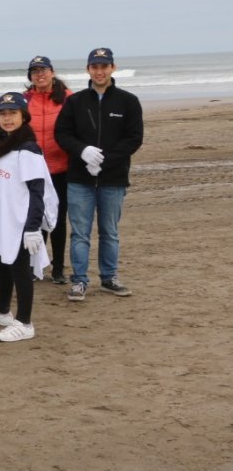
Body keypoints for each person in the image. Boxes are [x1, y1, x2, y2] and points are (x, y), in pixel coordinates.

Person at [54, 48, 144, 301]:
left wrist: (104, 161)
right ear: (88, 69)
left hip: (113, 178)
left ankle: (109, 278)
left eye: (104, 66)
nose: (99, 71)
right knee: (80, 232)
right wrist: (82, 151)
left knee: (109, 231)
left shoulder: (128, 101)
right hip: (79, 179)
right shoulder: (75, 101)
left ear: (112, 68)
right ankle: (79, 281)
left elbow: (134, 138)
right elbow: (62, 133)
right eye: (95, 66)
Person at [0, 92, 56, 342]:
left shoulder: (28, 149)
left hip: (19, 222)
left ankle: (24, 322)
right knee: (0, 262)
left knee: (20, 268)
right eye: (3, 113)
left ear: (24, 116)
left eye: (13, 113)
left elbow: (36, 192)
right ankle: (1, 311)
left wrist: (32, 228)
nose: (7, 119)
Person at [24, 56, 73, 285]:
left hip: (62, 167)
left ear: (52, 72)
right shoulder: (24, 100)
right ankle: (37, 267)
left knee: (58, 219)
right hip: (34, 168)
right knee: (36, 217)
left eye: (43, 70)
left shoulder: (68, 98)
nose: (39, 74)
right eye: (35, 71)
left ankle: (59, 269)